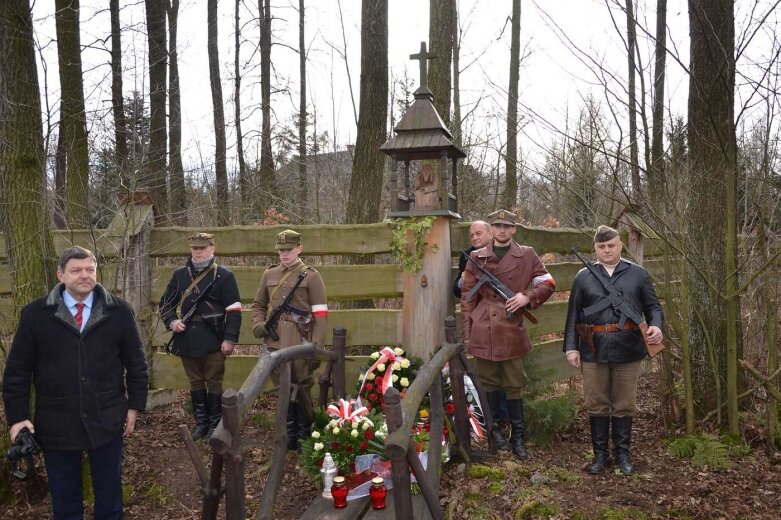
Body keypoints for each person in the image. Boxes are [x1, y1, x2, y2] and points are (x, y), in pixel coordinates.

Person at [2, 246, 149, 520]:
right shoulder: (35, 315)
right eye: (76, 270)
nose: (85, 275)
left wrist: (135, 406)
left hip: (107, 417)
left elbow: (137, 363)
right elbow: (17, 372)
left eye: (90, 270)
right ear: (61, 275)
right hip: (56, 421)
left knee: (110, 500)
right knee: (65, 502)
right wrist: (18, 418)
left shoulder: (118, 312)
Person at [563, 225, 663, 475]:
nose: (606, 250)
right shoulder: (583, 276)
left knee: (624, 404)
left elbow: (654, 308)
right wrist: (570, 348)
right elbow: (573, 314)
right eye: (601, 246)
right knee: (596, 403)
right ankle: (600, 457)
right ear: (595, 248)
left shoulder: (638, 274)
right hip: (592, 349)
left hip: (628, 348)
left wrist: (657, 328)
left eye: (611, 245)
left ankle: (623, 456)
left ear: (620, 246)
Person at [461, 209, 556, 460]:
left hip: (512, 326)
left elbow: (548, 283)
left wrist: (527, 297)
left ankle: (518, 438)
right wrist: (468, 335)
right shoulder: (476, 257)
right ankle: (495, 435)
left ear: (514, 229)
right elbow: (467, 300)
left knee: (514, 384)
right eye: (497, 226)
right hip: (483, 327)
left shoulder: (526, 255)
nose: (502, 230)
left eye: (507, 226)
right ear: (491, 230)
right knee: (488, 383)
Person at [159, 232, 242, 440]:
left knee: (214, 381)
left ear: (212, 249)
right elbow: (166, 304)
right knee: (195, 381)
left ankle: (215, 424)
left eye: (202, 248)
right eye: (195, 248)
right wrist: (172, 321)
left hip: (214, 338)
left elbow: (233, 311)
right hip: (187, 338)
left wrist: (229, 338)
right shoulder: (180, 275)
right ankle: (201, 424)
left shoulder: (224, 275)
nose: (198, 252)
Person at [251, 229, 329, 450]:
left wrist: (316, 346)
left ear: (299, 249)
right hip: (274, 340)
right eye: (281, 250)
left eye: (288, 250)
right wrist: (258, 324)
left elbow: (320, 314)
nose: (284, 254)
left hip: (300, 340)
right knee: (282, 387)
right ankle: (288, 432)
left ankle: (305, 433)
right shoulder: (269, 274)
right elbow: (258, 304)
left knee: (302, 385)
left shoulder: (311, 276)